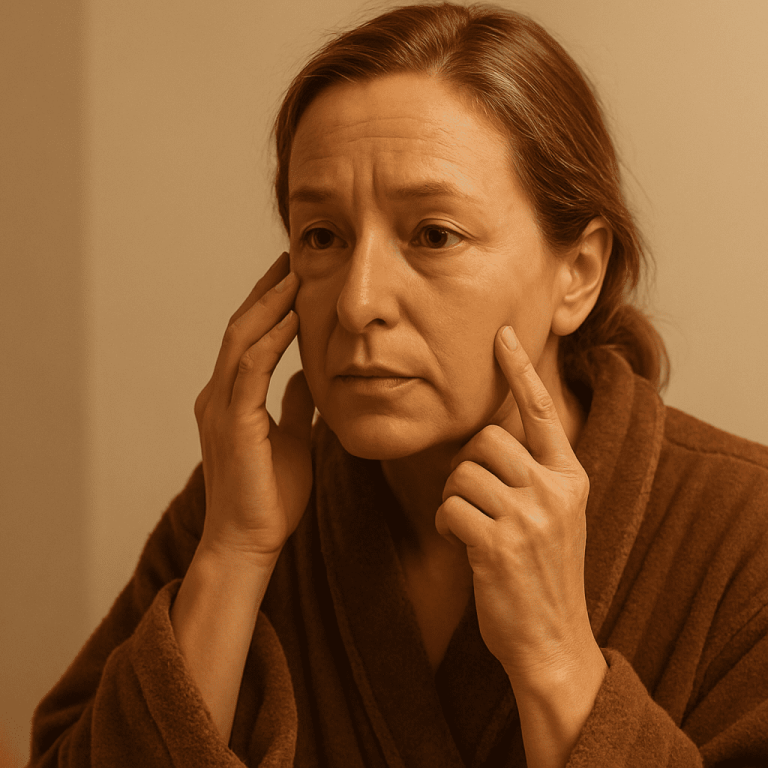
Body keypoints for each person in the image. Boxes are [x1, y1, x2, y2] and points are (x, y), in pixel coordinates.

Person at [28, 3, 768, 767]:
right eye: (323, 237)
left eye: (434, 235)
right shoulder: (242, 508)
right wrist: (232, 556)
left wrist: (558, 662)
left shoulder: (746, 536)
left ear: (577, 273)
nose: (356, 301)